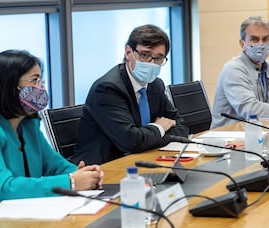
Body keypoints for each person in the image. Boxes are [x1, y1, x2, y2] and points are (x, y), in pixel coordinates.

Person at [0, 50, 103, 225]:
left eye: (41, 80)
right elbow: (5, 188)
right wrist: (72, 182)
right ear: (8, 86)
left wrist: (82, 174)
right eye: (34, 80)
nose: (41, 87)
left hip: (17, 217)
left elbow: (54, 165)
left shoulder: (28, 124)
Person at [74, 24, 189, 165]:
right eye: (145, 55)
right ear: (128, 52)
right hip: (104, 169)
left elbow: (182, 127)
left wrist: (149, 139)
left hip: (143, 161)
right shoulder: (108, 89)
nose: (151, 63)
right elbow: (131, 141)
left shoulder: (155, 84)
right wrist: (159, 128)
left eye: (158, 58)